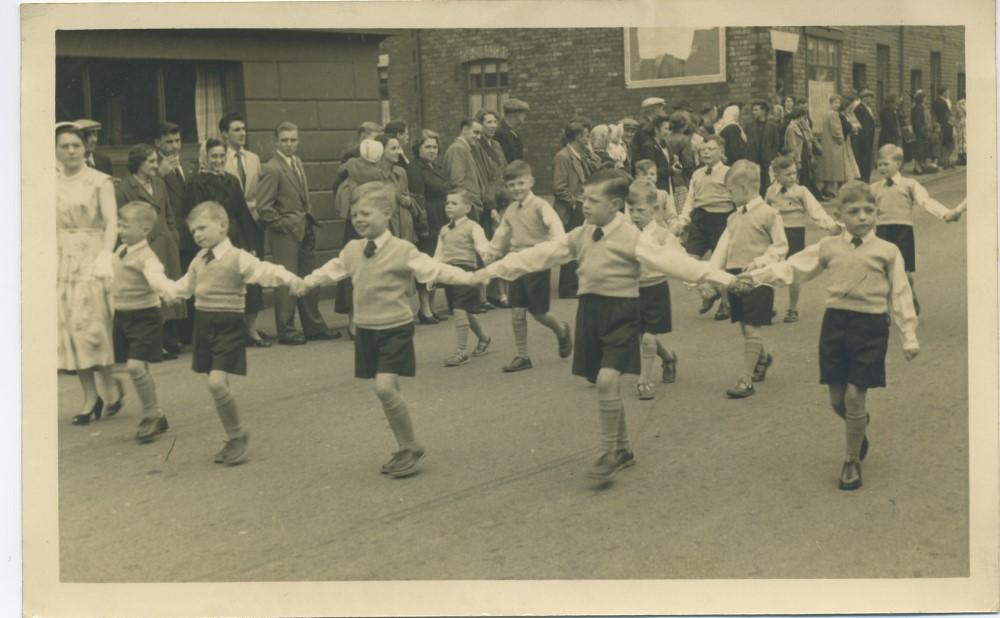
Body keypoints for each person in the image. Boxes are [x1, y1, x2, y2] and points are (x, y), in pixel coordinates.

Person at [470, 169, 736, 483]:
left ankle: (610, 451)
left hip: (622, 312)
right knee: (602, 382)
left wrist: (727, 279)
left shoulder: (632, 237)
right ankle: (623, 449)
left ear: (615, 204)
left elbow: (677, 263)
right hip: (589, 313)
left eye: (592, 200)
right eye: (583, 197)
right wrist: (486, 273)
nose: (584, 204)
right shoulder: (580, 234)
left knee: (609, 381)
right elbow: (536, 256)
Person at [738, 181, 919, 490]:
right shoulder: (828, 246)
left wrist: (909, 335)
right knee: (837, 399)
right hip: (836, 324)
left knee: (853, 395)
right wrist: (755, 278)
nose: (862, 217)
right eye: (854, 211)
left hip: (871, 326)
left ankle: (851, 460)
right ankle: (858, 424)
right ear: (840, 215)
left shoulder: (888, 251)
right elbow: (793, 268)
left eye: (868, 211)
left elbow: (901, 293)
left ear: (876, 213)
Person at [296, 182, 477, 478]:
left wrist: (470, 278)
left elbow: (434, 269)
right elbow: (332, 269)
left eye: (366, 213)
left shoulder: (403, 250)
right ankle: (405, 445)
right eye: (355, 215)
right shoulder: (352, 249)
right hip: (366, 330)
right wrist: (307, 282)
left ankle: (413, 446)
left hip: (395, 328)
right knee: (386, 391)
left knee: (384, 387)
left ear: (387, 213)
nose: (359, 220)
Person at [166, 202, 304, 466]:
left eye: (203, 228)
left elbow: (265, 270)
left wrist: (290, 279)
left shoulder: (237, 257)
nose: (197, 234)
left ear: (223, 226)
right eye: (193, 230)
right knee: (218, 387)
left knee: (216, 383)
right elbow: (185, 286)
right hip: (204, 326)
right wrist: (166, 292)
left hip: (228, 326)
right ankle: (234, 434)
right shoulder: (199, 259)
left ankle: (238, 433)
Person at [56, 122, 125, 425]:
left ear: (85, 148)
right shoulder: (48, 183)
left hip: (93, 256)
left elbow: (112, 222)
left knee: (94, 327)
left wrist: (106, 257)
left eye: (75, 145)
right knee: (70, 329)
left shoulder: (100, 181)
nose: (71, 151)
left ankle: (109, 382)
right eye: (64, 146)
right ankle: (89, 396)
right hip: (62, 260)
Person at [705, 160, 787, 398]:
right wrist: (709, 275)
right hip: (734, 278)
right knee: (744, 324)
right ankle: (762, 357)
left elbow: (781, 246)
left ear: (742, 188)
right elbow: (722, 249)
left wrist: (760, 262)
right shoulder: (732, 218)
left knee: (751, 327)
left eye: (730, 191)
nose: (728, 196)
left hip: (758, 278)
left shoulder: (770, 214)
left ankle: (746, 380)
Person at [485, 160, 572, 373]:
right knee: (516, 310)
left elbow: (556, 229)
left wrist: (556, 248)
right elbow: (501, 235)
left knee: (539, 312)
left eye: (520, 183)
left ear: (531, 182)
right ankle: (522, 356)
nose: (516, 188)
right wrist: (491, 254)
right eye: (512, 184)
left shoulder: (541, 206)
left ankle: (561, 330)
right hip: (517, 263)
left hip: (537, 262)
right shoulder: (510, 210)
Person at [256, 121, 338, 346]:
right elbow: (263, 207)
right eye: (284, 140)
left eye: (293, 140)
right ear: (276, 142)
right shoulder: (271, 168)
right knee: (286, 281)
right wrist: (285, 225)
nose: (290, 144)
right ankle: (286, 329)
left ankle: (313, 326)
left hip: (305, 227)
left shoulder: (297, 162)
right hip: (285, 233)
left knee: (309, 278)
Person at [185, 138, 269, 347]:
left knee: (249, 283)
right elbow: (198, 215)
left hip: (236, 235)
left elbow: (242, 213)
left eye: (222, 156)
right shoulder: (197, 183)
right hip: (214, 238)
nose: (218, 160)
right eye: (214, 156)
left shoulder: (232, 180)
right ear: (206, 157)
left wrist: (251, 243)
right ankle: (224, 334)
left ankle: (250, 330)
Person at [110, 202, 178, 442]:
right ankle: (157, 413)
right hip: (123, 314)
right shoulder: (120, 251)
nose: (120, 230)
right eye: (119, 225)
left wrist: (168, 290)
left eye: (125, 226)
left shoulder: (146, 257)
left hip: (145, 316)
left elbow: (156, 276)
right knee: (130, 366)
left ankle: (150, 416)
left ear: (145, 229)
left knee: (136, 366)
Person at [114, 144, 186, 360]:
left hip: (164, 242)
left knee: (164, 289)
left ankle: (165, 339)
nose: (156, 165)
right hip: (144, 246)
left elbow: (169, 212)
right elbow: (122, 219)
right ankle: (157, 343)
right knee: (151, 292)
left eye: (156, 161)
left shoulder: (159, 183)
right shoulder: (125, 188)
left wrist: (173, 234)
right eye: (151, 161)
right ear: (139, 163)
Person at [870, 144, 958, 315]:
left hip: (903, 232)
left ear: (898, 164)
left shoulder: (909, 184)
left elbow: (926, 201)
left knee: (904, 273)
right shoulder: (874, 188)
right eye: (879, 164)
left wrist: (945, 213)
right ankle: (885, 311)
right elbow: (862, 208)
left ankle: (909, 294)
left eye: (885, 164)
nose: (881, 168)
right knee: (883, 272)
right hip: (882, 232)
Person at [765, 155, 842, 323]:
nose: (793, 177)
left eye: (794, 173)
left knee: (793, 269)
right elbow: (764, 212)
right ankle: (767, 307)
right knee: (771, 268)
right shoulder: (770, 191)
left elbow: (816, 211)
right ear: (777, 176)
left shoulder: (802, 192)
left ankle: (792, 308)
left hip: (795, 233)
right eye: (788, 174)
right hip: (776, 234)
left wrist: (831, 226)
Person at [627, 180, 679, 401]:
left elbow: (680, 261)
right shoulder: (627, 233)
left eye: (640, 210)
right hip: (634, 290)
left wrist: (699, 284)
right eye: (631, 210)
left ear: (654, 209)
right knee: (642, 336)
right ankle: (668, 357)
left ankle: (644, 380)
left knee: (648, 337)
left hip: (656, 289)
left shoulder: (662, 235)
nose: (636, 215)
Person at [219, 112, 268, 344]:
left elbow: (259, 190)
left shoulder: (253, 158)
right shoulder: (219, 158)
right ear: (224, 134)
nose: (242, 133)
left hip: (253, 221)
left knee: (253, 274)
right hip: (231, 224)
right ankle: (236, 329)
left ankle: (252, 327)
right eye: (236, 130)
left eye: (243, 129)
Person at [674, 136, 735, 320]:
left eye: (710, 149)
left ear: (722, 152)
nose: (706, 152)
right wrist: (683, 219)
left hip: (721, 220)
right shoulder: (697, 174)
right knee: (689, 264)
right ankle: (709, 291)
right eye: (703, 150)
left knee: (720, 265)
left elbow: (737, 199)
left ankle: (725, 303)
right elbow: (690, 199)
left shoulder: (729, 172)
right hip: (700, 220)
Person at [432, 189, 493, 366]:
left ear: (466, 208)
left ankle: (461, 351)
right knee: (462, 310)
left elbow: (484, 249)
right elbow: (439, 253)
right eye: (447, 203)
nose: (449, 206)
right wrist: (433, 273)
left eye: (454, 203)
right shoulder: (444, 229)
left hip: (466, 272)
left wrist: (490, 267)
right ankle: (484, 338)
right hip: (449, 273)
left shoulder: (473, 227)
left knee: (459, 309)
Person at [155, 122, 198, 346]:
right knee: (172, 283)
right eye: (169, 142)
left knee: (189, 282)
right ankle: (171, 336)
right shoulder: (156, 168)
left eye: (177, 141)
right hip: (171, 234)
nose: (174, 147)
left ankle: (186, 334)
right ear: (158, 143)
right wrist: (159, 174)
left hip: (190, 234)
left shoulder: (187, 165)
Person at [408, 129, 451, 322]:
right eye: (427, 147)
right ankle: (424, 309)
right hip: (427, 221)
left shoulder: (437, 167)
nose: (432, 150)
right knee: (426, 265)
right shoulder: (415, 169)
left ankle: (431, 308)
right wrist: (422, 225)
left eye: (435, 147)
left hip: (441, 218)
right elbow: (418, 199)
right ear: (418, 149)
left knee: (436, 264)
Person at [552, 121, 592, 298]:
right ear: (577, 136)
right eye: (586, 135)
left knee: (579, 245)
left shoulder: (579, 154)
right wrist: (574, 204)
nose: (588, 139)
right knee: (571, 247)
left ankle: (575, 283)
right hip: (571, 209)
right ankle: (568, 287)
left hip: (580, 205)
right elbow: (559, 187)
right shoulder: (563, 157)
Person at [375, 133, 422, 247]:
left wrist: (409, 201)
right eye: (393, 149)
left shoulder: (401, 172)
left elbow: (409, 200)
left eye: (399, 148)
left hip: (405, 230)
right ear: (381, 151)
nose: (399, 152)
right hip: (386, 230)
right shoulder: (374, 175)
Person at [744, 100, 781, 196]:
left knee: (766, 182)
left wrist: (771, 155)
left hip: (766, 158)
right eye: (753, 110)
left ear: (763, 111)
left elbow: (776, 143)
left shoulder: (772, 126)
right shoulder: (749, 126)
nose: (753, 112)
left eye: (756, 110)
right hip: (753, 158)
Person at [783, 108, 822, 198]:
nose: (804, 120)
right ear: (799, 117)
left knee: (806, 176)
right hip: (799, 155)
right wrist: (797, 160)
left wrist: (807, 128)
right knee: (802, 177)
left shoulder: (801, 127)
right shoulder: (792, 128)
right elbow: (793, 145)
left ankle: (813, 195)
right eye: (803, 118)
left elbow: (810, 137)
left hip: (804, 154)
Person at [817, 94, 848, 199]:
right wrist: (841, 139)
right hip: (834, 145)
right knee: (835, 169)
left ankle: (827, 189)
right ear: (831, 103)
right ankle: (832, 191)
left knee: (828, 168)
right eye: (835, 102)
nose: (838, 105)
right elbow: (836, 130)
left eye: (839, 103)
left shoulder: (826, 114)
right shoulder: (834, 114)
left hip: (827, 143)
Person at [634, 159, 678, 227]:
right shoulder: (633, 196)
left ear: (656, 177)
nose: (649, 177)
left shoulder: (663, 195)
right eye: (644, 174)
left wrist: (673, 228)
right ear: (637, 177)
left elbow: (671, 217)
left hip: (661, 232)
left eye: (652, 174)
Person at [630, 97, 667, 175]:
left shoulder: (649, 128)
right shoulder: (644, 129)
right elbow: (648, 155)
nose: (664, 112)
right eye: (661, 109)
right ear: (652, 112)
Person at [852, 90, 878, 182]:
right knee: (863, 160)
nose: (871, 100)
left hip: (868, 139)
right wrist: (864, 140)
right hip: (863, 140)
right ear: (864, 98)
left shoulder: (867, 108)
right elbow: (861, 125)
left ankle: (866, 178)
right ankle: (863, 179)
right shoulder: (860, 109)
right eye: (869, 97)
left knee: (867, 160)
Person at [495, 98, 529, 164]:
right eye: (523, 114)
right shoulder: (499, 133)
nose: (525, 116)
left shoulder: (514, 133)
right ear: (515, 115)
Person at [931, 87, 954, 170]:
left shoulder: (934, 102)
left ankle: (941, 162)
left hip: (938, 125)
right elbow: (947, 114)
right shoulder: (944, 102)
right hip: (946, 125)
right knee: (948, 144)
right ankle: (945, 162)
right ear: (943, 93)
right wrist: (951, 122)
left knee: (940, 143)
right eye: (947, 92)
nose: (948, 93)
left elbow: (933, 114)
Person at [910, 90, 930, 174]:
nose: (926, 99)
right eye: (925, 98)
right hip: (919, 133)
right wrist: (922, 131)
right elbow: (917, 122)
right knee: (919, 150)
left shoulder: (921, 107)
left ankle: (920, 166)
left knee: (922, 150)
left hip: (922, 131)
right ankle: (917, 167)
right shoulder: (917, 108)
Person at [954, 98, 967, 166]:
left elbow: (956, 115)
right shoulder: (961, 103)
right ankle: (963, 157)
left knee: (961, 141)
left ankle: (962, 157)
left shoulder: (958, 104)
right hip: (963, 124)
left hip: (961, 124)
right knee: (962, 140)